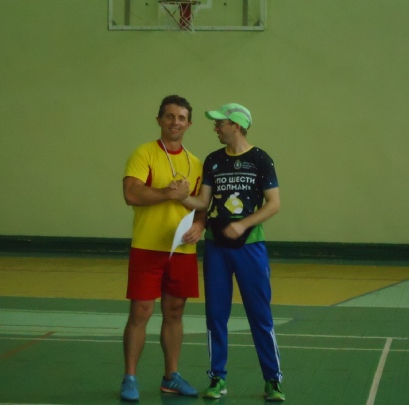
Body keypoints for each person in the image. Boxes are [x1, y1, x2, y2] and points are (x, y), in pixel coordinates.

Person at [181, 103, 285, 402]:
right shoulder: (213, 160)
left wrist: (243, 225)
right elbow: (203, 203)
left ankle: (273, 379)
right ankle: (217, 377)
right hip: (216, 248)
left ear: (236, 125)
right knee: (216, 315)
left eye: (220, 123)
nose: (215, 128)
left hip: (251, 248)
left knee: (260, 315)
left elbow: (274, 204)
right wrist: (181, 197)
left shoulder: (260, 159)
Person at [120, 95, 205, 402]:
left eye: (181, 118)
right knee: (140, 312)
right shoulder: (144, 153)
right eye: (169, 116)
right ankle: (130, 377)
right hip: (147, 247)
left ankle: (171, 376)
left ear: (189, 124)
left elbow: (202, 206)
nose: (175, 122)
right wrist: (167, 194)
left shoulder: (196, 163)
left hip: (182, 250)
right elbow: (132, 194)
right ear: (159, 120)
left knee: (175, 312)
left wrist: (200, 226)